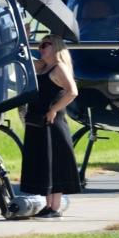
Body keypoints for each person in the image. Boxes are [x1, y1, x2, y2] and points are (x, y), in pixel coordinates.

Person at [19, 34, 82, 217]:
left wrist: (54, 109)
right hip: (38, 121)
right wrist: (24, 39)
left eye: (45, 44)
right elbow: (25, 60)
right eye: (39, 45)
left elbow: (72, 92)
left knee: (54, 164)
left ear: (55, 47)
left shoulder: (59, 67)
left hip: (52, 122)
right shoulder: (42, 67)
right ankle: (48, 205)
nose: (41, 47)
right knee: (44, 163)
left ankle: (54, 207)